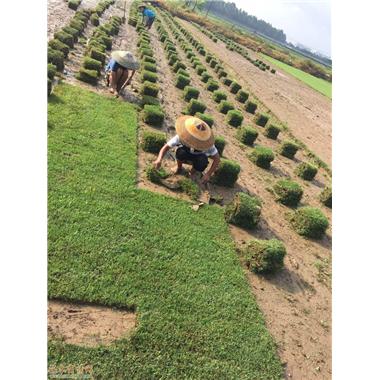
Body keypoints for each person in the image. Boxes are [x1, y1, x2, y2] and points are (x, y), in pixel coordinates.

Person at [154, 116, 220, 184]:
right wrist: (159, 159)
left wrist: (208, 174)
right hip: (185, 153)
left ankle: (192, 172)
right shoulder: (183, 136)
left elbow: (217, 159)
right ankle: (179, 167)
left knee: (202, 161)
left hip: (199, 157)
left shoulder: (207, 143)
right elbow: (166, 147)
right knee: (180, 152)